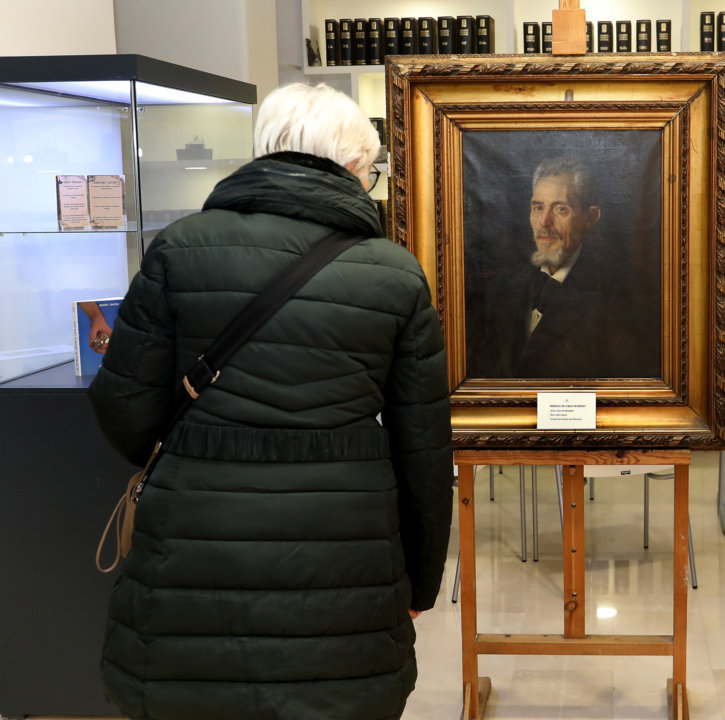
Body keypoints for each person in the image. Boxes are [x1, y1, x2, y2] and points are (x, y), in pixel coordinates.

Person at [88, 82, 453, 720]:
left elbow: (124, 409)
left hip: (195, 543)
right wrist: (420, 580)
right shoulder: (393, 273)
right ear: (351, 169)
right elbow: (422, 448)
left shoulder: (179, 249)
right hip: (345, 550)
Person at [468, 154, 660, 379]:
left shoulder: (618, 299)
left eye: (561, 210)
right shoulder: (503, 289)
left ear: (590, 218)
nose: (544, 222)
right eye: (538, 207)